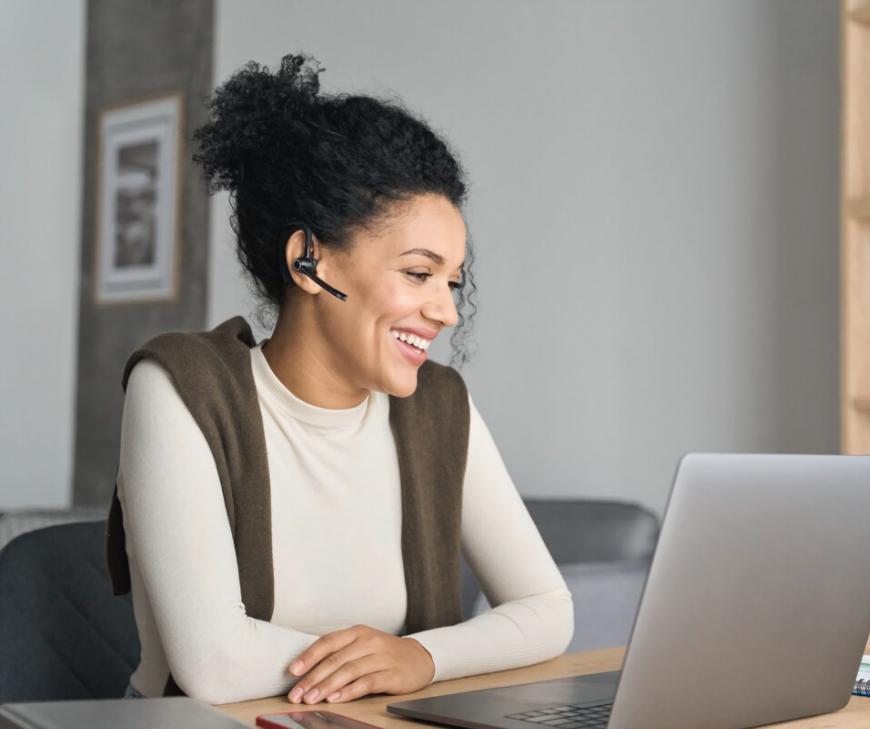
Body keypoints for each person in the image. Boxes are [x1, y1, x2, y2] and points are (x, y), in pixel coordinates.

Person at [109, 53, 573, 706]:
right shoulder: (182, 387)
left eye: (452, 281)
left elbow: (548, 608)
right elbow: (214, 663)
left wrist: (420, 656)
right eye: (418, 273)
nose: (445, 309)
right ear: (307, 260)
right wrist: (394, 662)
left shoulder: (439, 408)